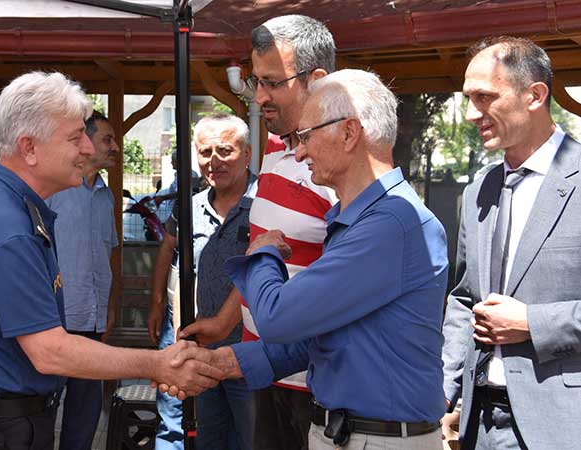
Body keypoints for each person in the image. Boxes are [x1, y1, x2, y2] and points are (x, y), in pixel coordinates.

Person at [0, 71, 223, 450]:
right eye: (74, 138)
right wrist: (157, 364)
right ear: (29, 147)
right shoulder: (9, 227)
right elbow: (49, 351)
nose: (87, 148)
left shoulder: (0, 202)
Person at [168, 69, 449, 449]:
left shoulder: (390, 223)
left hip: (377, 438)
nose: (299, 152)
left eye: (306, 136)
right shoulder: (367, 219)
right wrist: (225, 362)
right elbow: (325, 338)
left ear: (349, 133)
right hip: (353, 433)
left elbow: (277, 318)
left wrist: (263, 252)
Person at [177, 15, 337, 450]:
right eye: (256, 81)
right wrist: (224, 322)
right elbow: (262, 252)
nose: (259, 96)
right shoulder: (276, 144)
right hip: (262, 370)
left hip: (313, 385)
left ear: (317, 81)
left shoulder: (339, 162)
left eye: (272, 83)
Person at [440, 37, 581, 450]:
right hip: (477, 423)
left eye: (484, 97)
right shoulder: (479, 188)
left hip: (562, 428)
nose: (471, 113)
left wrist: (533, 323)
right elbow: (464, 299)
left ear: (534, 95)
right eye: (469, 99)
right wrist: (443, 388)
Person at [171, 113, 257, 449]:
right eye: (205, 152)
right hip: (204, 355)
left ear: (247, 154)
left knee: (253, 441)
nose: (213, 161)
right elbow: (183, 274)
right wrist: (181, 338)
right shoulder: (191, 208)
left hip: (253, 358)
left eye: (225, 151)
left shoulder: (266, 204)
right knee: (208, 441)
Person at [46, 110, 119, 450]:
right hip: (56, 320)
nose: (115, 147)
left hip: (94, 321)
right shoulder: (55, 190)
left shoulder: (106, 195)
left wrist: (110, 305)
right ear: (85, 142)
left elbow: (109, 255)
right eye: (108, 139)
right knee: (43, 408)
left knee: (85, 414)